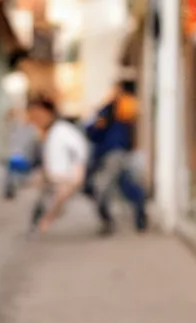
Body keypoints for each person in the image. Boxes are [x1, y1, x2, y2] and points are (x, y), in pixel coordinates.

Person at [85, 78, 148, 235]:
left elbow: (95, 130)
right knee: (124, 184)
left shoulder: (115, 107)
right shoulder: (126, 107)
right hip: (118, 152)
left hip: (112, 152)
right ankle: (139, 209)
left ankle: (107, 221)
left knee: (101, 187)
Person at [26, 95, 90, 235]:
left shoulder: (63, 131)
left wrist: (79, 172)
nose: (35, 119)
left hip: (66, 176)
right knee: (45, 199)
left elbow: (79, 151)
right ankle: (39, 222)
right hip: (53, 175)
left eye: (38, 114)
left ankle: (45, 220)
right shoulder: (46, 132)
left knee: (58, 200)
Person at [3, 106, 40, 199]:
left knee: (17, 171)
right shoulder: (16, 126)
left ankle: (18, 183)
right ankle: (10, 188)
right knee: (10, 170)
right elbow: (7, 120)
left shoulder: (32, 129)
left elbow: (36, 142)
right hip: (15, 155)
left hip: (26, 156)